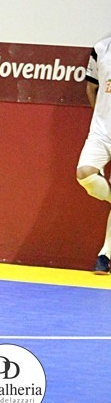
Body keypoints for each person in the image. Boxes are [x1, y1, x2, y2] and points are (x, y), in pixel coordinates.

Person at [76, 33, 111, 274]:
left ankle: (104, 256)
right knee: (84, 173)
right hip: (101, 133)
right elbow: (92, 87)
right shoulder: (101, 48)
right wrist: (100, 118)